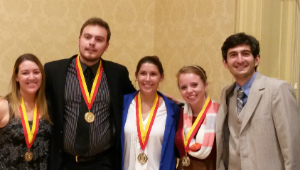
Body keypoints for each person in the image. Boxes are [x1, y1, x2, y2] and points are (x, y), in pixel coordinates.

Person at [44, 17, 135, 170]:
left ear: (106, 46)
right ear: (79, 40)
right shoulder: (54, 71)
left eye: (99, 39)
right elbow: (33, 98)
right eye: (88, 37)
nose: (92, 43)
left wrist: (163, 100)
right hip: (64, 162)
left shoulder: (117, 73)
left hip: (103, 162)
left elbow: (136, 99)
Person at [216, 32, 300, 170]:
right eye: (233, 55)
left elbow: (291, 146)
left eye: (245, 53)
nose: (240, 59)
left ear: (257, 59)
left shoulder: (277, 89)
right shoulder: (227, 94)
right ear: (225, 63)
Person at [121, 56, 180, 170]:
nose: (147, 79)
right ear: (136, 76)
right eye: (143, 73)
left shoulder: (172, 110)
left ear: (161, 77)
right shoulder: (123, 104)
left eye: (153, 74)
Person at [0, 53, 52, 170]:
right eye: (25, 73)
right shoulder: (3, 105)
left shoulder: (49, 106)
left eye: (36, 72)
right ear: (16, 77)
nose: (32, 77)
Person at [175, 65, 219, 170]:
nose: (189, 91)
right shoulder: (179, 113)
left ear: (205, 86)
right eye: (183, 87)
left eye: (194, 85)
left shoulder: (220, 113)